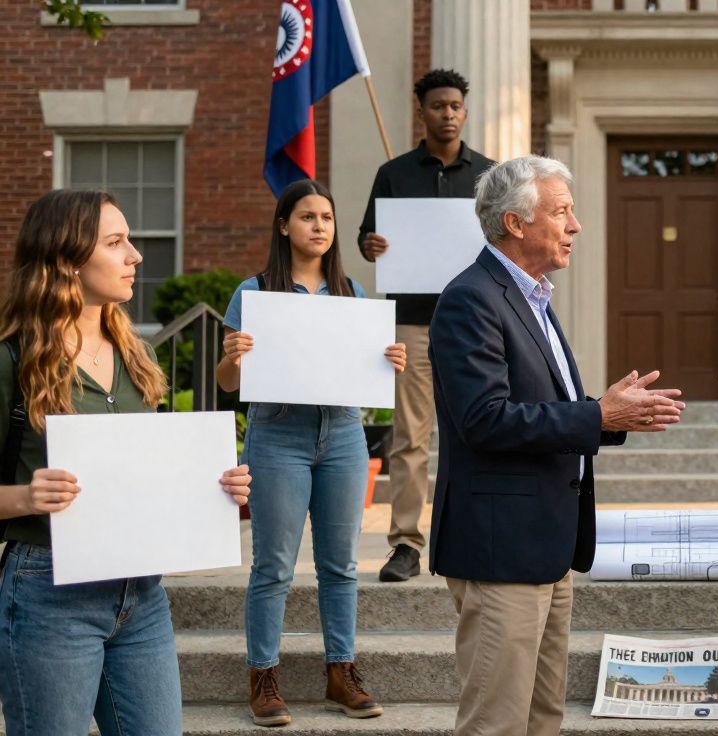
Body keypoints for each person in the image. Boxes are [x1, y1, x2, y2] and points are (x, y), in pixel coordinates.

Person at [430, 155, 684, 736]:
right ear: (516, 223)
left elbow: (540, 406)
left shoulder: (531, 295)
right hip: (501, 551)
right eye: (563, 212)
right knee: (496, 723)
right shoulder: (472, 298)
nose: (576, 226)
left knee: (542, 719)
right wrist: (597, 415)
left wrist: (609, 418)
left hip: (546, 545)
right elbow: (485, 420)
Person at [0, 189, 252, 735]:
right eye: (116, 243)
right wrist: (23, 497)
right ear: (66, 259)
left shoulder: (140, 355)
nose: (136, 255)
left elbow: (146, 477)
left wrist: (214, 487)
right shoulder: (11, 360)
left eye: (129, 240)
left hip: (141, 596)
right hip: (48, 593)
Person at [219, 179, 407, 727]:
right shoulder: (253, 292)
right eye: (307, 216)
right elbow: (228, 382)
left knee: (340, 564)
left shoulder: (353, 296)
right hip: (277, 435)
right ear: (284, 225)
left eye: (326, 217)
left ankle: (340, 672)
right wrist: (234, 355)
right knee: (273, 564)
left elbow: (366, 372)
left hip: (343, 435)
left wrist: (388, 359)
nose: (319, 226)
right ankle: (263, 676)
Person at [358, 68, 495, 583]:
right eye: (438, 105)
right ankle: (406, 545)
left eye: (456, 105)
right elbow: (367, 239)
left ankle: (480, 535)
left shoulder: (488, 174)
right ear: (423, 111)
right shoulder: (394, 173)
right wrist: (372, 245)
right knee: (410, 436)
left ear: (464, 110)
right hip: (412, 322)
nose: (448, 113)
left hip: (477, 322)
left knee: (484, 427)